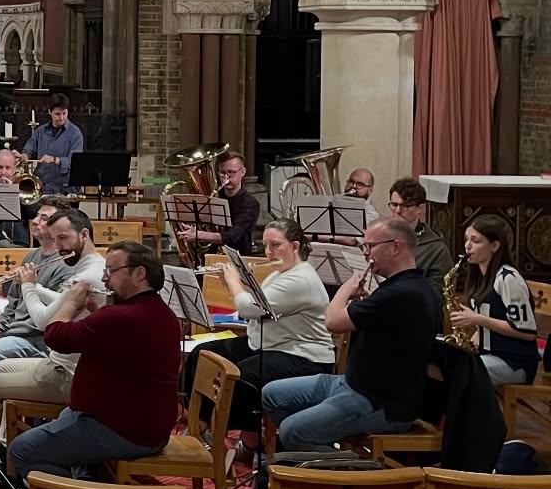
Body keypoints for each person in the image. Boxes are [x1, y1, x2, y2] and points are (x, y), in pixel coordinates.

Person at [262, 216, 442, 451]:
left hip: (381, 402)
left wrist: (345, 289)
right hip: (351, 384)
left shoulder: (403, 292)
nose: (366, 253)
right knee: (271, 393)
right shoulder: (401, 287)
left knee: (292, 431)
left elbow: (332, 321)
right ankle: (311, 448)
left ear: (396, 247)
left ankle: (348, 468)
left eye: (370, 246)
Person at [7, 241, 180, 481]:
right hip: (142, 424)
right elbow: (115, 339)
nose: (105, 278)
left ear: (139, 273)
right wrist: (97, 311)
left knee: (21, 450)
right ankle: (86, 476)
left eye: (111, 271)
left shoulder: (121, 316)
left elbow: (56, 337)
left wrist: (70, 303)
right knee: (66, 418)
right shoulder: (161, 311)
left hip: (122, 430)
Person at [0, 210, 106, 464]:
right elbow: (63, 299)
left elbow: (44, 321)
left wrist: (28, 285)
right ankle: (1, 444)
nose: (59, 246)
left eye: (64, 238)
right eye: (56, 239)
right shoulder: (92, 265)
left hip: (68, 373)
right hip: (61, 363)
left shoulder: (87, 275)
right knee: (1, 367)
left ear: (84, 234)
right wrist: (36, 286)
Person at [190, 220, 335, 464]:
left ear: (295, 246)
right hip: (270, 344)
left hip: (303, 356)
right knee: (204, 353)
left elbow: (250, 308)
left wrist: (234, 280)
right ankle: (200, 426)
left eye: (275, 245)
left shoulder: (300, 279)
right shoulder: (281, 274)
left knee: (241, 376)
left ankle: (251, 442)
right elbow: (259, 305)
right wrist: (234, 280)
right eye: (266, 245)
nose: (269, 252)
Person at [0, 210, 81, 409]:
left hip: (36, 338)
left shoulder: (65, 265)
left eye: (44, 218)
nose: (35, 221)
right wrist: (0, 325)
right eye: (37, 216)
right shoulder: (32, 255)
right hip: (16, 332)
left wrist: (6, 330)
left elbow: (49, 316)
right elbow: (14, 301)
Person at [451, 215, 539, 386]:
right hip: (489, 355)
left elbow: (527, 332)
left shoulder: (508, 278)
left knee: (461, 372)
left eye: (475, 241)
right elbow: (483, 330)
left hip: (514, 362)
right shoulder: (480, 278)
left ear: (495, 246)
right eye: (466, 239)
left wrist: (477, 319)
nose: (467, 246)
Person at [175, 150, 259, 255]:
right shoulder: (213, 197)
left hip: (237, 258)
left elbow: (232, 237)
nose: (226, 177)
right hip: (209, 256)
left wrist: (199, 234)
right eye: (222, 172)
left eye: (231, 172)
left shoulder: (250, 204)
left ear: (243, 172)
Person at [20, 93, 83, 197]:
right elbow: (29, 150)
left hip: (65, 188)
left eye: (64, 113)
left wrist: (55, 159)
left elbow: (75, 161)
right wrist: (24, 156)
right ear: (50, 112)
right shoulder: (40, 131)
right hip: (42, 186)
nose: (61, 118)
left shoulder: (75, 133)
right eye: (57, 114)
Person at [388, 177, 452, 279]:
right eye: (394, 205)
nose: (398, 210)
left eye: (405, 206)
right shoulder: (381, 236)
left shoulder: (436, 249)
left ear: (419, 208)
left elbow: (436, 287)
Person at [0, 149, 33, 246]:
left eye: (8, 168)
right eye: (0, 167)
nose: (3, 172)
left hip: (19, 242)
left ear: (14, 169)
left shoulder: (23, 186)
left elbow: (33, 213)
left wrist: (13, 193)